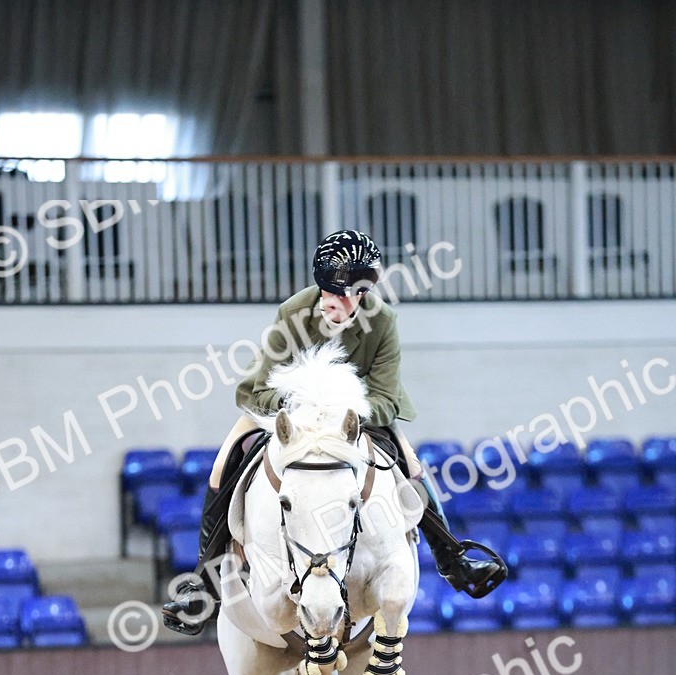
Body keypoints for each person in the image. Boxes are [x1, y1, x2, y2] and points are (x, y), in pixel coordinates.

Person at [163, 230, 506, 635]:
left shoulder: (382, 321)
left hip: (355, 419)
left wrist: (344, 408)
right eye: (329, 292)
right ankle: (203, 585)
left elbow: (386, 398)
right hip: (290, 414)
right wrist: (306, 403)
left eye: (348, 294)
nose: (336, 303)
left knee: (411, 466)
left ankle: (451, 556)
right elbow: (257, 389)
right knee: (223, 465)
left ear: (363, 292)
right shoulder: (294, 313)